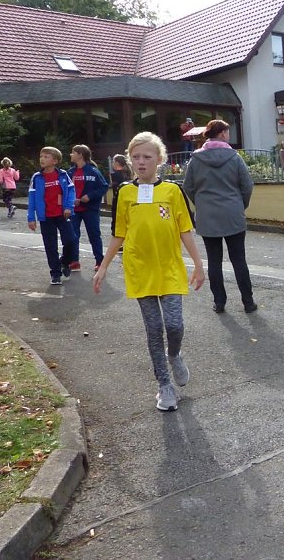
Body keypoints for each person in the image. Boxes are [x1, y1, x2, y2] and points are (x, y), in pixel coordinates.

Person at [94, 132, 205, 412]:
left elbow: (185, 230)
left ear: (159, 160)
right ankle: (164, 386)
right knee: (154, 329)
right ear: (130, 160)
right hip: (139, 267)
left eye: (147, 156)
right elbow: (119, 233)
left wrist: (199, 264)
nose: (141, 162)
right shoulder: (124, 193)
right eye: (136, 157)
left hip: (169, 267)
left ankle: (175, 354)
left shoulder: (172, 191)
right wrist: (103, 266)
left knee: (175, 324)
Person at [183, 119, 256, 314]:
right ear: (223, 134)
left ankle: (220, 302)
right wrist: (241, 205)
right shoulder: (234, 157)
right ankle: (248, 302)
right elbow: (247, 186)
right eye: (228, 132)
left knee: (214, 261)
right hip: (233, 213)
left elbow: (188, 187)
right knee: (239, 259)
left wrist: (201, 204)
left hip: (207, 216)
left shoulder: (195, 159)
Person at [27, 147, 78, 284]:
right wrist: (31, 218)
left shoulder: (62, 175)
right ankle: (55, 274)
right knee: (50, 246)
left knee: (71, 240)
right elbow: (31, 198)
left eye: (46, 157)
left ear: (55, 161)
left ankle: (64, 262)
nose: (42, 159)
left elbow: (71, 190)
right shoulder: (37, 177)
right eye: (41, 156)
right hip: (46, 216)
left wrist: (68, 207)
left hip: (62, 214)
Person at [67, 145, 109, 272]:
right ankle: (74, 261)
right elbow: (65, 190)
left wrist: (89, 197)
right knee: (73, 235)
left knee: (94, 235)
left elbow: (104, 187)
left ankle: (99, 262)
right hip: (75, 210)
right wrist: (69, 201)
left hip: (90, 209)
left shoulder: (93, 171)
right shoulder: (70, 172)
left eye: (73, 153)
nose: (70, 155)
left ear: (80, 155)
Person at [109, 153, 131, 238]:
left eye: (113, 162)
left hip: (119, 200)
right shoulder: (128, 174)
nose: (112, 164)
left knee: (118, 221)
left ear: (117, 163)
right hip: (127, 200)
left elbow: (115, 188)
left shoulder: (115, 175)